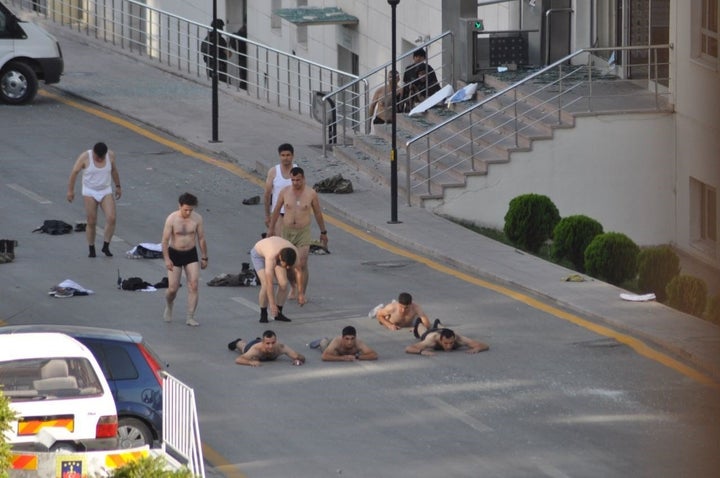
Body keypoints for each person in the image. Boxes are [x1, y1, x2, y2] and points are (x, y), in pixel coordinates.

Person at [268, 166, 328, 299]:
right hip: (288, 231)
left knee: (302, 262)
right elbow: (277, 210)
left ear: (304, 179)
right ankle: (294, 286)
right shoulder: (285, 192)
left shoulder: (311, 194)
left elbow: (318, 213)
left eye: (298, 180)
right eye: (293, 180)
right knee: (288, 264)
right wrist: (271, 229)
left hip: (303, 232)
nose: (295, 183)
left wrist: (323, 231)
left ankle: (302, 292)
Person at [67, 142, 121, 258]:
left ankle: (106, 245)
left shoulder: (110, 156)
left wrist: (118, 186)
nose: (100, 159)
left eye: (102, 158)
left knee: (111, 218)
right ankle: (91, 247)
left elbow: (114, 171)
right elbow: (74, 172)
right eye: (98, 157)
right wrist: (70, 191)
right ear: (94, 153)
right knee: (91, 221)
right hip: (89, 191)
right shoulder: (85, 157)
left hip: (105, 190)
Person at [161, 192, 208, 327]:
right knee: (173, 288)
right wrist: (167, 259)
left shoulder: (197, 219)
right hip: (174, 253)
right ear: (179, 206)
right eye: (185, 209)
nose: (188, 212)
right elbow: (164, 241)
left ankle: (190, 316)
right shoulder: (172, 219)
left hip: (190, 253)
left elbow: (201, 238)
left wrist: (204, 256)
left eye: (191, 210)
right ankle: (169, 304)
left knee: (194, 285)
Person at [250, 236, 304, 323]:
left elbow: (299, 272)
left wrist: (301, 293)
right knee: (265, 285)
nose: (287, 268)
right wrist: (272, 304)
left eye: (289, 265)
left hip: (276, 249)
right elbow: (269, 283)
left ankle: (279, 313)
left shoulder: (295, 254)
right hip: (259, 255)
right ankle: (263, 314)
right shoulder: (271, 257)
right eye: (286, 265)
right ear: (280, 257)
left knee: (283, 284)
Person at [263, 143, 297, 236]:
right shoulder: (273, 172)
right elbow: (267, 194)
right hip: (278, 213)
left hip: (294, 212)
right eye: (283, 155)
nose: (285, 158)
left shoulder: (297, 171)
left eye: (288, 155)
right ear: (279, 156)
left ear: (293, 156)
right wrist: (267, 216)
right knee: (280, 241)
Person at [228, 330, 306, 367]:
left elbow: (299, 356)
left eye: (273, 343)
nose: (271, 346)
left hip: (261, 343)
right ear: (263, 342)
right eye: (268, 343)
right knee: (243, 347)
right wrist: (250, 363)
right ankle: (238, 342)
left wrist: (298, 359)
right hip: (252, 345)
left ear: (276, 341)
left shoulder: (281, 347)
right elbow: (238, 359)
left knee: (296, 356)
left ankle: (259, 339)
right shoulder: (255, 349)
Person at [406, 323, 489, 355]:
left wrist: (477, 349)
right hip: (429, 333)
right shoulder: (431, 341)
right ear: (440, 340)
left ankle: (438, 323)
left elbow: (484, 345)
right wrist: (422, 351)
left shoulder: (458, 338)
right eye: (446, 343)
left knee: (446, 329)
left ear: (454, 339)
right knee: (421, 329)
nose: (449, 346)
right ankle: (418, 324)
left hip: (444, 331)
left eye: (451, 343)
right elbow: (409, 348)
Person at [309, 326, 378, 362]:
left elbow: (374, 355)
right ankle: (321, 340)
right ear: (342, 338)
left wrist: (357, 357)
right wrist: (342, 358)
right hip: (329, 344)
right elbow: (324, 357)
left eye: (352, 338)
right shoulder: (337, 341)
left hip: (341, 352)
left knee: (336, 354)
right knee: (324, 344)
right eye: (347, 339)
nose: (349, 342)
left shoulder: (358, 342)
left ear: (355, 337)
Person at [401, 48, 440, 112]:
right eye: (416, 56)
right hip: (411, 99)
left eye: (420, 57)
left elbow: (435, 84)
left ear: (424, 58)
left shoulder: (429, 69)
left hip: (425, 98)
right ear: (413, 58)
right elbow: (405, 85)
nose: (418, 58)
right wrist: (401, 103)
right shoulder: (408, 69)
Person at [201, 18, 232, 84]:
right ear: (219, 28)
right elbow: (229, 54)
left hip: (209, 68)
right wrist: (228, 45)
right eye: (221, 27)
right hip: (220, 69)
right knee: (226, 87)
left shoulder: (207, 39)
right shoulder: (219, 40)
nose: (223, 30)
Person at [229, 24, 247, 90]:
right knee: (244, 76)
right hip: (244, 58)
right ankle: (243, 88)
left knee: (242, 76)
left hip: (241, 58)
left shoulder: (235, 36)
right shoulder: (243, 37)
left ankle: (242, 88)